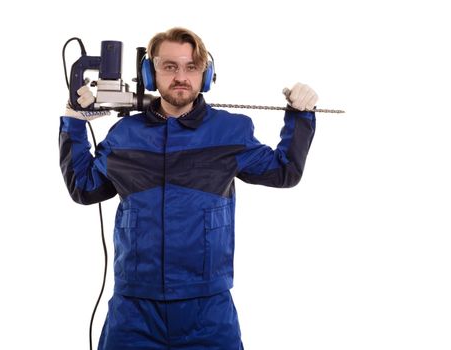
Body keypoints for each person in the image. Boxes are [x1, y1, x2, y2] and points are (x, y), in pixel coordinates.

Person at [60, 27, 318, 350]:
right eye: (170, 66)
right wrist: (73, 120)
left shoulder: (229, 131)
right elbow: (83, 187)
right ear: (150, 74)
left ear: (205, 75)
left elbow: (285, 171)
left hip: (207, 313)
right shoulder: (124, 136)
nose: (181, 76)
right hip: (134, 311)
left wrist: (301, 116)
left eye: (191, 67)